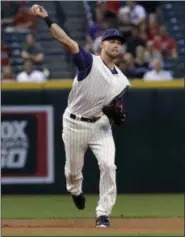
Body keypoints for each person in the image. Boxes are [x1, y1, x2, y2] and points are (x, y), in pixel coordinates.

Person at [30, 4, 131, 228]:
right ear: (102, 44)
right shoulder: (88, 62)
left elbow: (118, 107)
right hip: (75, 123)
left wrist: (118, 114)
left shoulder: (123, 81)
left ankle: (103, 214)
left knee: (108, 165)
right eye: (111, 41)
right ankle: (75, 191)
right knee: (73, 172)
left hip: (101, 126)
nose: (116, 45)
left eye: (119, 42)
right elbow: (67, 41)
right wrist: (47, 18)